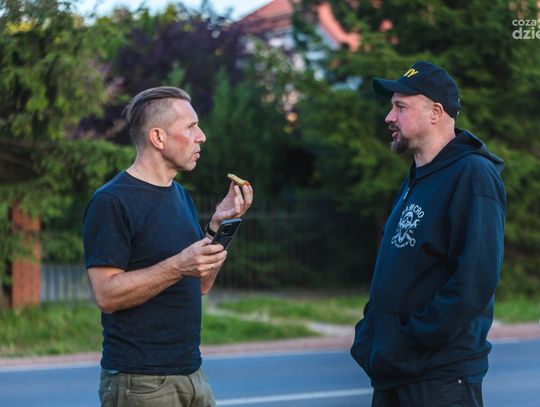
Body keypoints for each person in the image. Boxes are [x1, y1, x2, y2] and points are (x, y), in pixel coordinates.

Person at [83, 86, 253, 407]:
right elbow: (106, 295)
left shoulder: (181, 196)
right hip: (141, 382)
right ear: (158, 138)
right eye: (191, 127)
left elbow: (200, 284)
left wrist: (218, 225)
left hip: (193, 374)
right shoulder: (111, 201)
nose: (201, 136)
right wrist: (177, 265)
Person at [350, 61, 506, 406]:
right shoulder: (417, 179)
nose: (389, 117)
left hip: (440, 379)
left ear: (436, 112)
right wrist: (370, 336)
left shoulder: (472, 175)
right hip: (397, 372)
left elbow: (474, 281)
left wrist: (409, 339)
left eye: (400, 107)